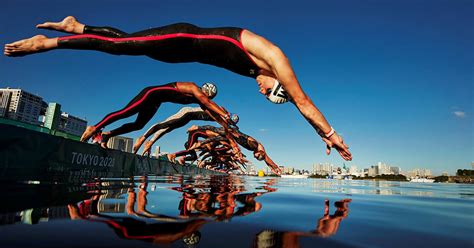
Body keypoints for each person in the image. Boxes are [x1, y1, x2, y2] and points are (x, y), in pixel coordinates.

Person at [4, 16, 352, 161]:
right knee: (124, 47)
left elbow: (297, 104)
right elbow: (301, 99)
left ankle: (77, 26)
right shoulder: (275, 58)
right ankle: (47, 43)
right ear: (279, 82)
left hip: (182, 55)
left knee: (127, 42)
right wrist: (330, 132)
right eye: (267, 91)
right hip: (185, 37)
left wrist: (318, 134)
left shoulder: (268, 76)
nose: (259, 90)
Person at [80, 81, 233, 147]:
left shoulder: (202, 101)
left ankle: (108, 135)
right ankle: (95, 127)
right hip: (150, 94)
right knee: (126, 112)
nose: (207, 99)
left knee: (138, 125)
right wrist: (224, 114)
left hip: (156, 102)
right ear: (205, 90)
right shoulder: (193, 88)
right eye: (208, 96)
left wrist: (225, 124)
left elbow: (212, 113)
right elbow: (208, 104)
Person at [133, 106, 239, 156]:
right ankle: (144, 139)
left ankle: (150, 142)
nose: (228, 124)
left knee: (168, 130)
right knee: (165, 125)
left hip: (188, 118)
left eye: (230, 124)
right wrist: (197, 127)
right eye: (229, 121)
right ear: (228, 115)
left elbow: (221, 130)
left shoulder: (222, 120)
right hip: (186, 112)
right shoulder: (220, 111)